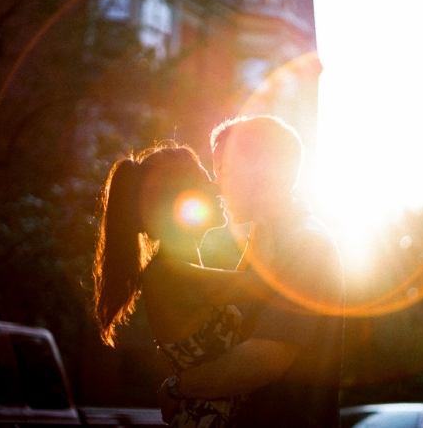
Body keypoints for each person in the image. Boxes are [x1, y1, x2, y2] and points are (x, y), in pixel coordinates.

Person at [159, 116, 345, 428]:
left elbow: (265, 359)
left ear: (265, 171)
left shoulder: (307, 245)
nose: (216, 183)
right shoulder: (266, 243)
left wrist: (178, 387)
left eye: (224, 170)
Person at [92, 143, 270, 428]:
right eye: (203, 180)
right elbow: (260, 286)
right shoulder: (169, 277)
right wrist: (265, 211)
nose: (216, 187)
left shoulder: (177, 271)